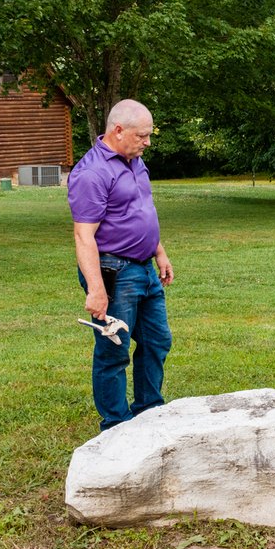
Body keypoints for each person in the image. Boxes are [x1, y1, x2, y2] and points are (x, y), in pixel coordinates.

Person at [67, 99, 174, 431]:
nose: (148, 142)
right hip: (116, 273)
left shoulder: (135, 161)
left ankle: (149, 410)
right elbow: (84, 236)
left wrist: (159, 252)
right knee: (114, 350)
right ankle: (115, 426)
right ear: (118, 130)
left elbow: (141, 210)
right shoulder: (91, 173)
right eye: (142, 135)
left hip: (144, 269)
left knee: (157, 340)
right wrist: (96, 290)